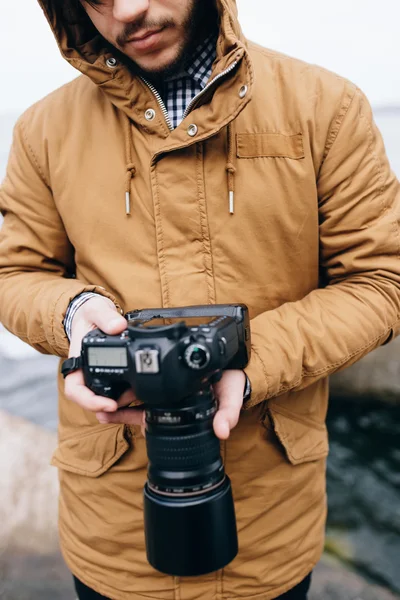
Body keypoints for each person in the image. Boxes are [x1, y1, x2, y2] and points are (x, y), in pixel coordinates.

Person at [0, 0, 399, 598]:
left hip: (273, 525)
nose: (129, 10)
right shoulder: (42, 130)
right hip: (111, 528)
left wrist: (247, 359)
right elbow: (15, 273)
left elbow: (380, 281)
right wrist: (72, 314)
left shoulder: (327, 107)